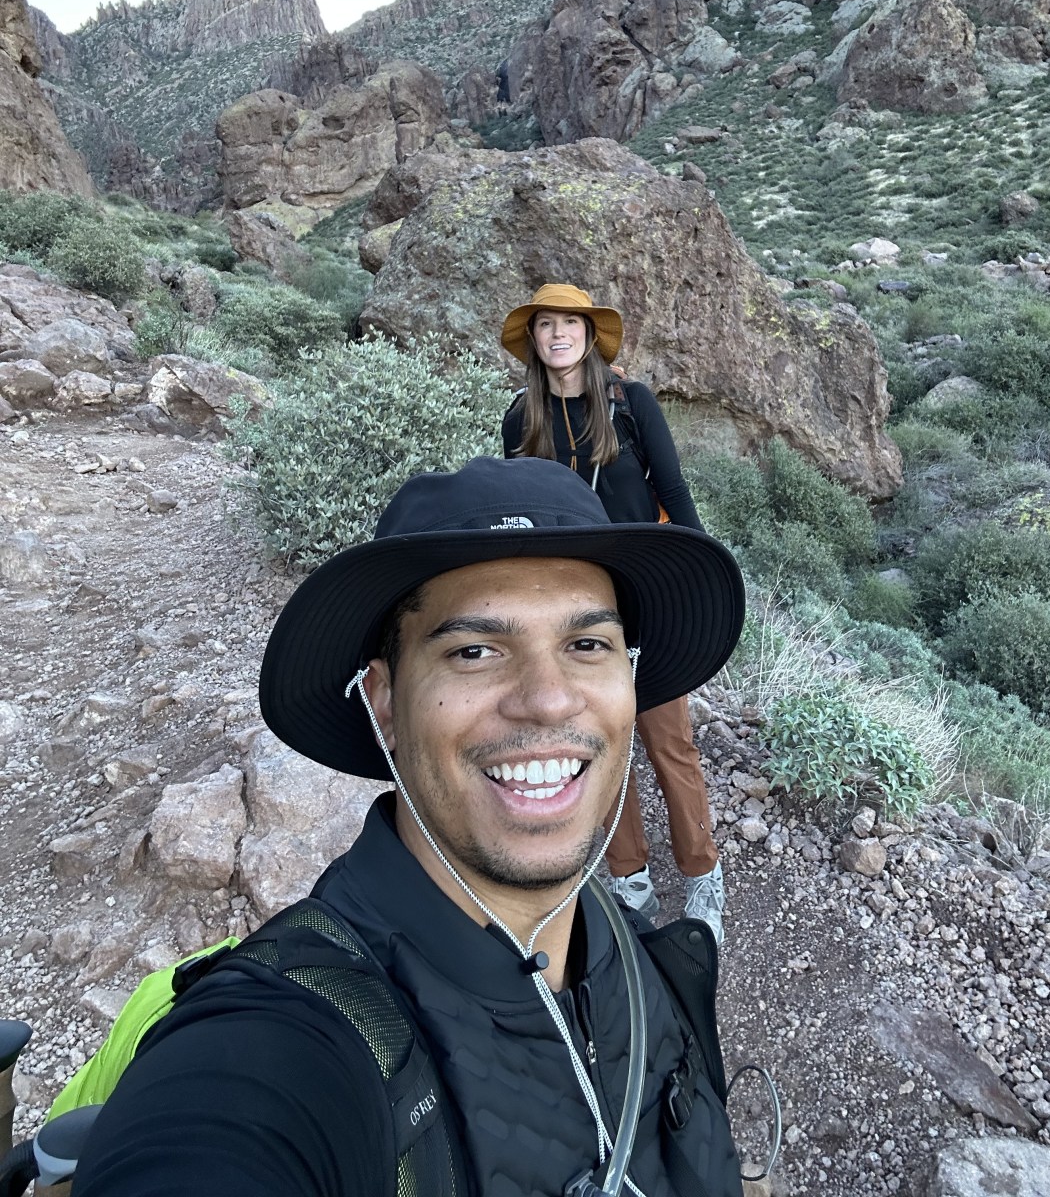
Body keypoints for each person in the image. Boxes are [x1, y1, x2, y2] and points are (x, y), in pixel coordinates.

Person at [72, 456, 747, 1197]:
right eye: (474, 651)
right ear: (385, 702)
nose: (550, 701)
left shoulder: (640, 953)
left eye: (588, 645)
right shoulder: (289, 1043)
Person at [500, 284, 727, 943]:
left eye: (570, 323)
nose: (558, 335)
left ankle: (701, 874)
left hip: (650, 598)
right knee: (601, 748)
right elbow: (520, 515)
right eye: (546, 325)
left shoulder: (632, 404)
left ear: (590, 335)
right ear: (535, 341)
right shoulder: (522, 419)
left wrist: (701, 579)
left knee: (669, 743)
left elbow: (674, 492)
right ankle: (630, 879)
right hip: (571, 614)